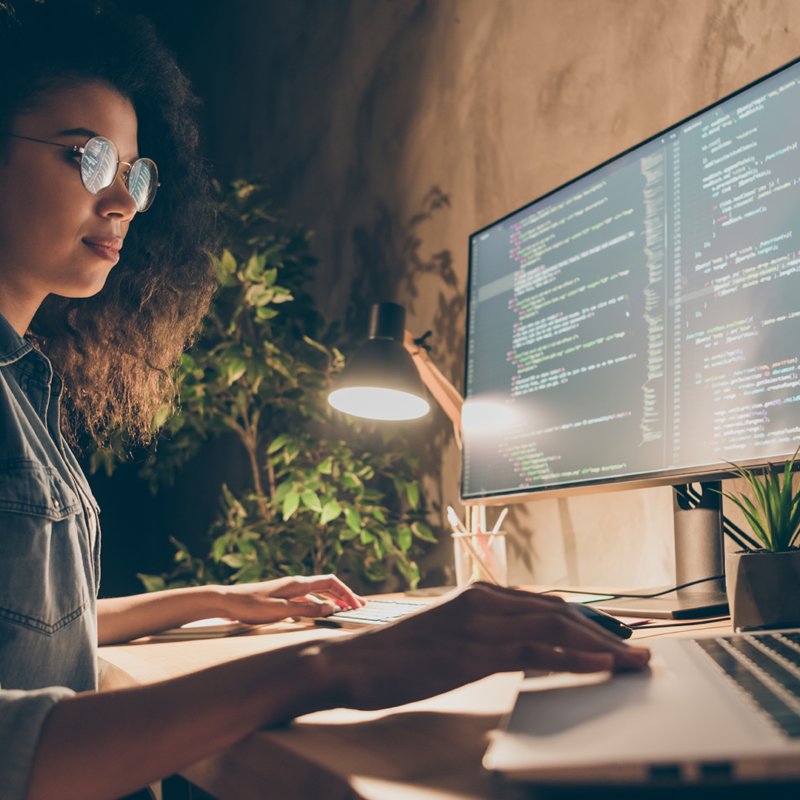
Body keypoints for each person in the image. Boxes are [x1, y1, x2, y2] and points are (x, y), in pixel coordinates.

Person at [0, 2, 651, 799]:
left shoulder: (25, 384)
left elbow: (32, 633)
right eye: (87, 156)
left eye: (134, 172)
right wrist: (340, 665)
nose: (125, 199)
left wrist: (220, 601)